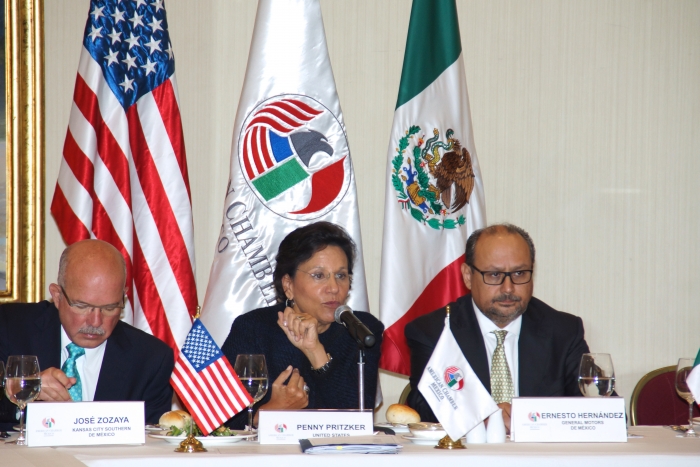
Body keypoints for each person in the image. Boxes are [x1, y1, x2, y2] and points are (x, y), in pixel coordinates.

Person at [405, 224, 590, 432]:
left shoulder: (564, 332)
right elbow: (425, 408)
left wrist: (532, 420)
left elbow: (597, 410)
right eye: (494, 275)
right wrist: (485, 418)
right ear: (467, 275)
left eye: (519, 273)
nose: (508, 288)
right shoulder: (434, 332)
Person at [222, 222, 383, 429]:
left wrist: (315, 351)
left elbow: (356, 419)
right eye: (319, 275)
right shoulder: (253, 329)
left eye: (341, 276)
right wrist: (270, 411)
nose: (334, 288)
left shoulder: (361, 330)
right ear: (288, 285)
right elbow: (220, 421)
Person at [0, 240, 174, 426]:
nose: (96, 321)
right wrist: (22, 392)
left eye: (109, 308)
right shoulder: (9, 327)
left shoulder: (150, 359)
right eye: (82, 306)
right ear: (57, 296)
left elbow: (151, 442)